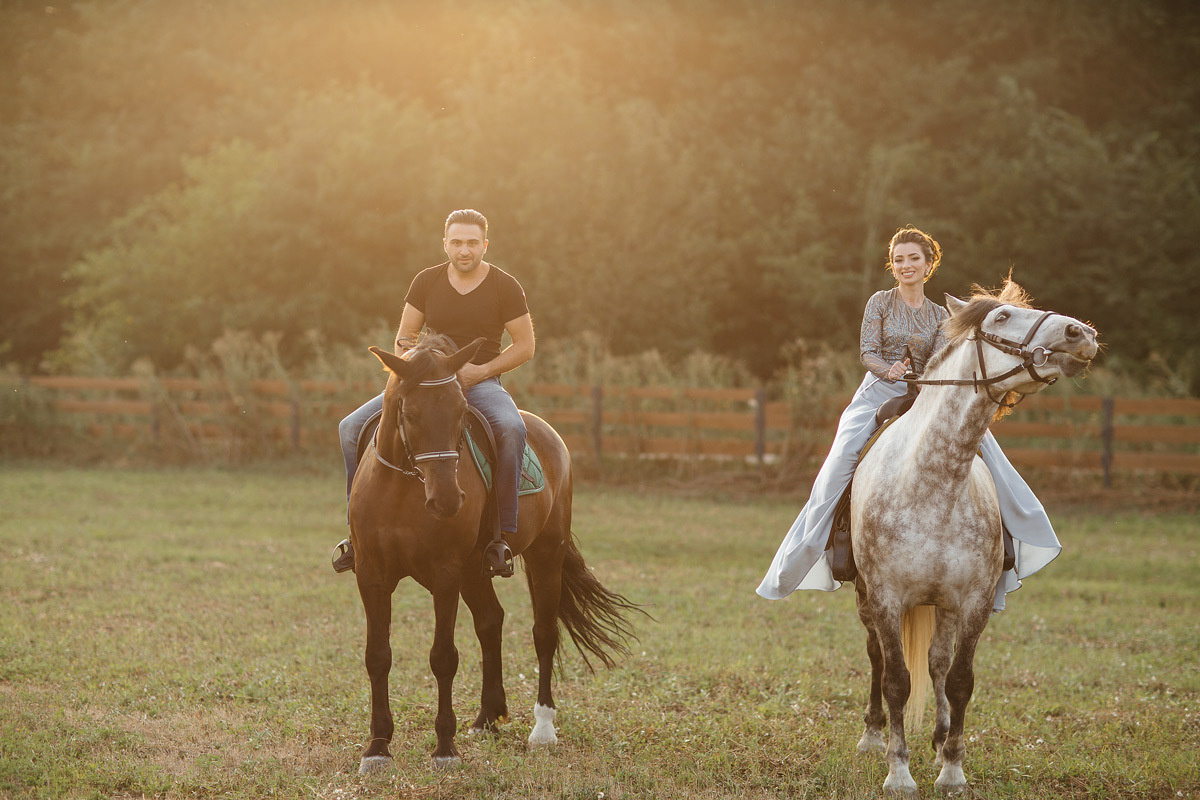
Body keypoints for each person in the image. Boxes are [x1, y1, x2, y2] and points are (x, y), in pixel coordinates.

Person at [756, 225, 1060, 611]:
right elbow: (867, 351)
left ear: (929, 264)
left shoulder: (938, 314)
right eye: (899, 260)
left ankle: (1007, 547)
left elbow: (939, 360)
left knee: (988, 453)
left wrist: (922, 380)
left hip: (928, 394)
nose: (905, 265)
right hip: (878, 392)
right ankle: (825, 547)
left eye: (913, 258)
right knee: (839, 463)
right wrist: (889, 371)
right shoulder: (879, 302)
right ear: (893, 265)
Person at [332, 209, 535, 577]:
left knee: (512, 428)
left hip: (479, 381)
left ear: (485, 245)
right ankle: (355, 531)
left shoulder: (505, 286)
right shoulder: (426, 281)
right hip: (427, 385)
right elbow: (405, 337)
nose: (464, 250)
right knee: (349, 427)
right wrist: (417, 366)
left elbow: (525, 345)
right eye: (456, 242)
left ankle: (501, 535)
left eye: (472, 243)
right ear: (445, 244)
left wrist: (482, 370)